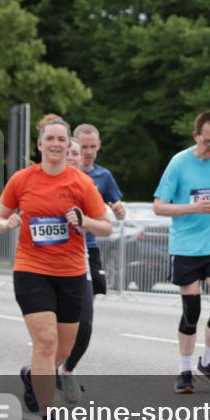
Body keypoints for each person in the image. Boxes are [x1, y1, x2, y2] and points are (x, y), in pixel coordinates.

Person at [0, 115, 111, 420]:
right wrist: (5, 224)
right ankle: (49, 419)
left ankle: (33, 375)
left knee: (63, 347)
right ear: (40, 144)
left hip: (71, 273)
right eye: (50, 139)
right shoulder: (22, 179)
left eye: (61, 139)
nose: (56, 144)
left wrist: (84, 219)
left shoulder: (81, 183)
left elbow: (106, 226)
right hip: (31, 270)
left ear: (67, 143)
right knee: (45, 341)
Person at [154, 111, 210, 395]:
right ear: (196, 136)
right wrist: (191, 207)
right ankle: (184, 369)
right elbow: (159, 206)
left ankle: (209, 362)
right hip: (186, 247)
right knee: (191, 312)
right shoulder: (179, 163)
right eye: (209, 142)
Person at [57, 123, 126, 403]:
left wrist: (119, 209)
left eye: (90, 148)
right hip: (56, 255)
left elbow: (115, 213)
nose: (85, 153)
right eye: (80, 148)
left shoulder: (102, 176)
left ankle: (67, 368)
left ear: (98, 146)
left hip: (89, 250)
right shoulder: (54, 178)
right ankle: (49, 366)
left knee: (83, 317)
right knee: (61, 319)